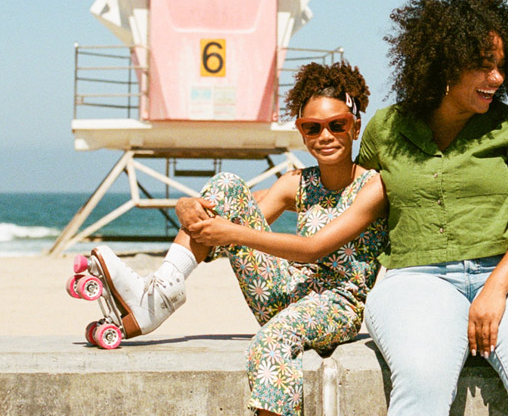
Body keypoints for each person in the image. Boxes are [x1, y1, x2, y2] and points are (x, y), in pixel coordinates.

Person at [89, 61, 388, 416]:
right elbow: (228, 208)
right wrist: (185, 205)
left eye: (337, 125)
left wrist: (229, 233)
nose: (325, 136)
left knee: (271, 342)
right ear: (301, 132)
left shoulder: (372, 187)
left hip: (335, 307)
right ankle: (159, 293)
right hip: (287, 292)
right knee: (227, 185)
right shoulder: (297, 182)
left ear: (354, 128)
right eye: (312, 127)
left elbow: (313, 249)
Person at [352, 0, 508, 415]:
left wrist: (495, 289)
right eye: (482, 65)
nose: (497, 78)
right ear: (442, 64)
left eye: (502, 65)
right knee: (423, 378)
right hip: (414, 279)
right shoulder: (386, 127)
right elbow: (346, 192)